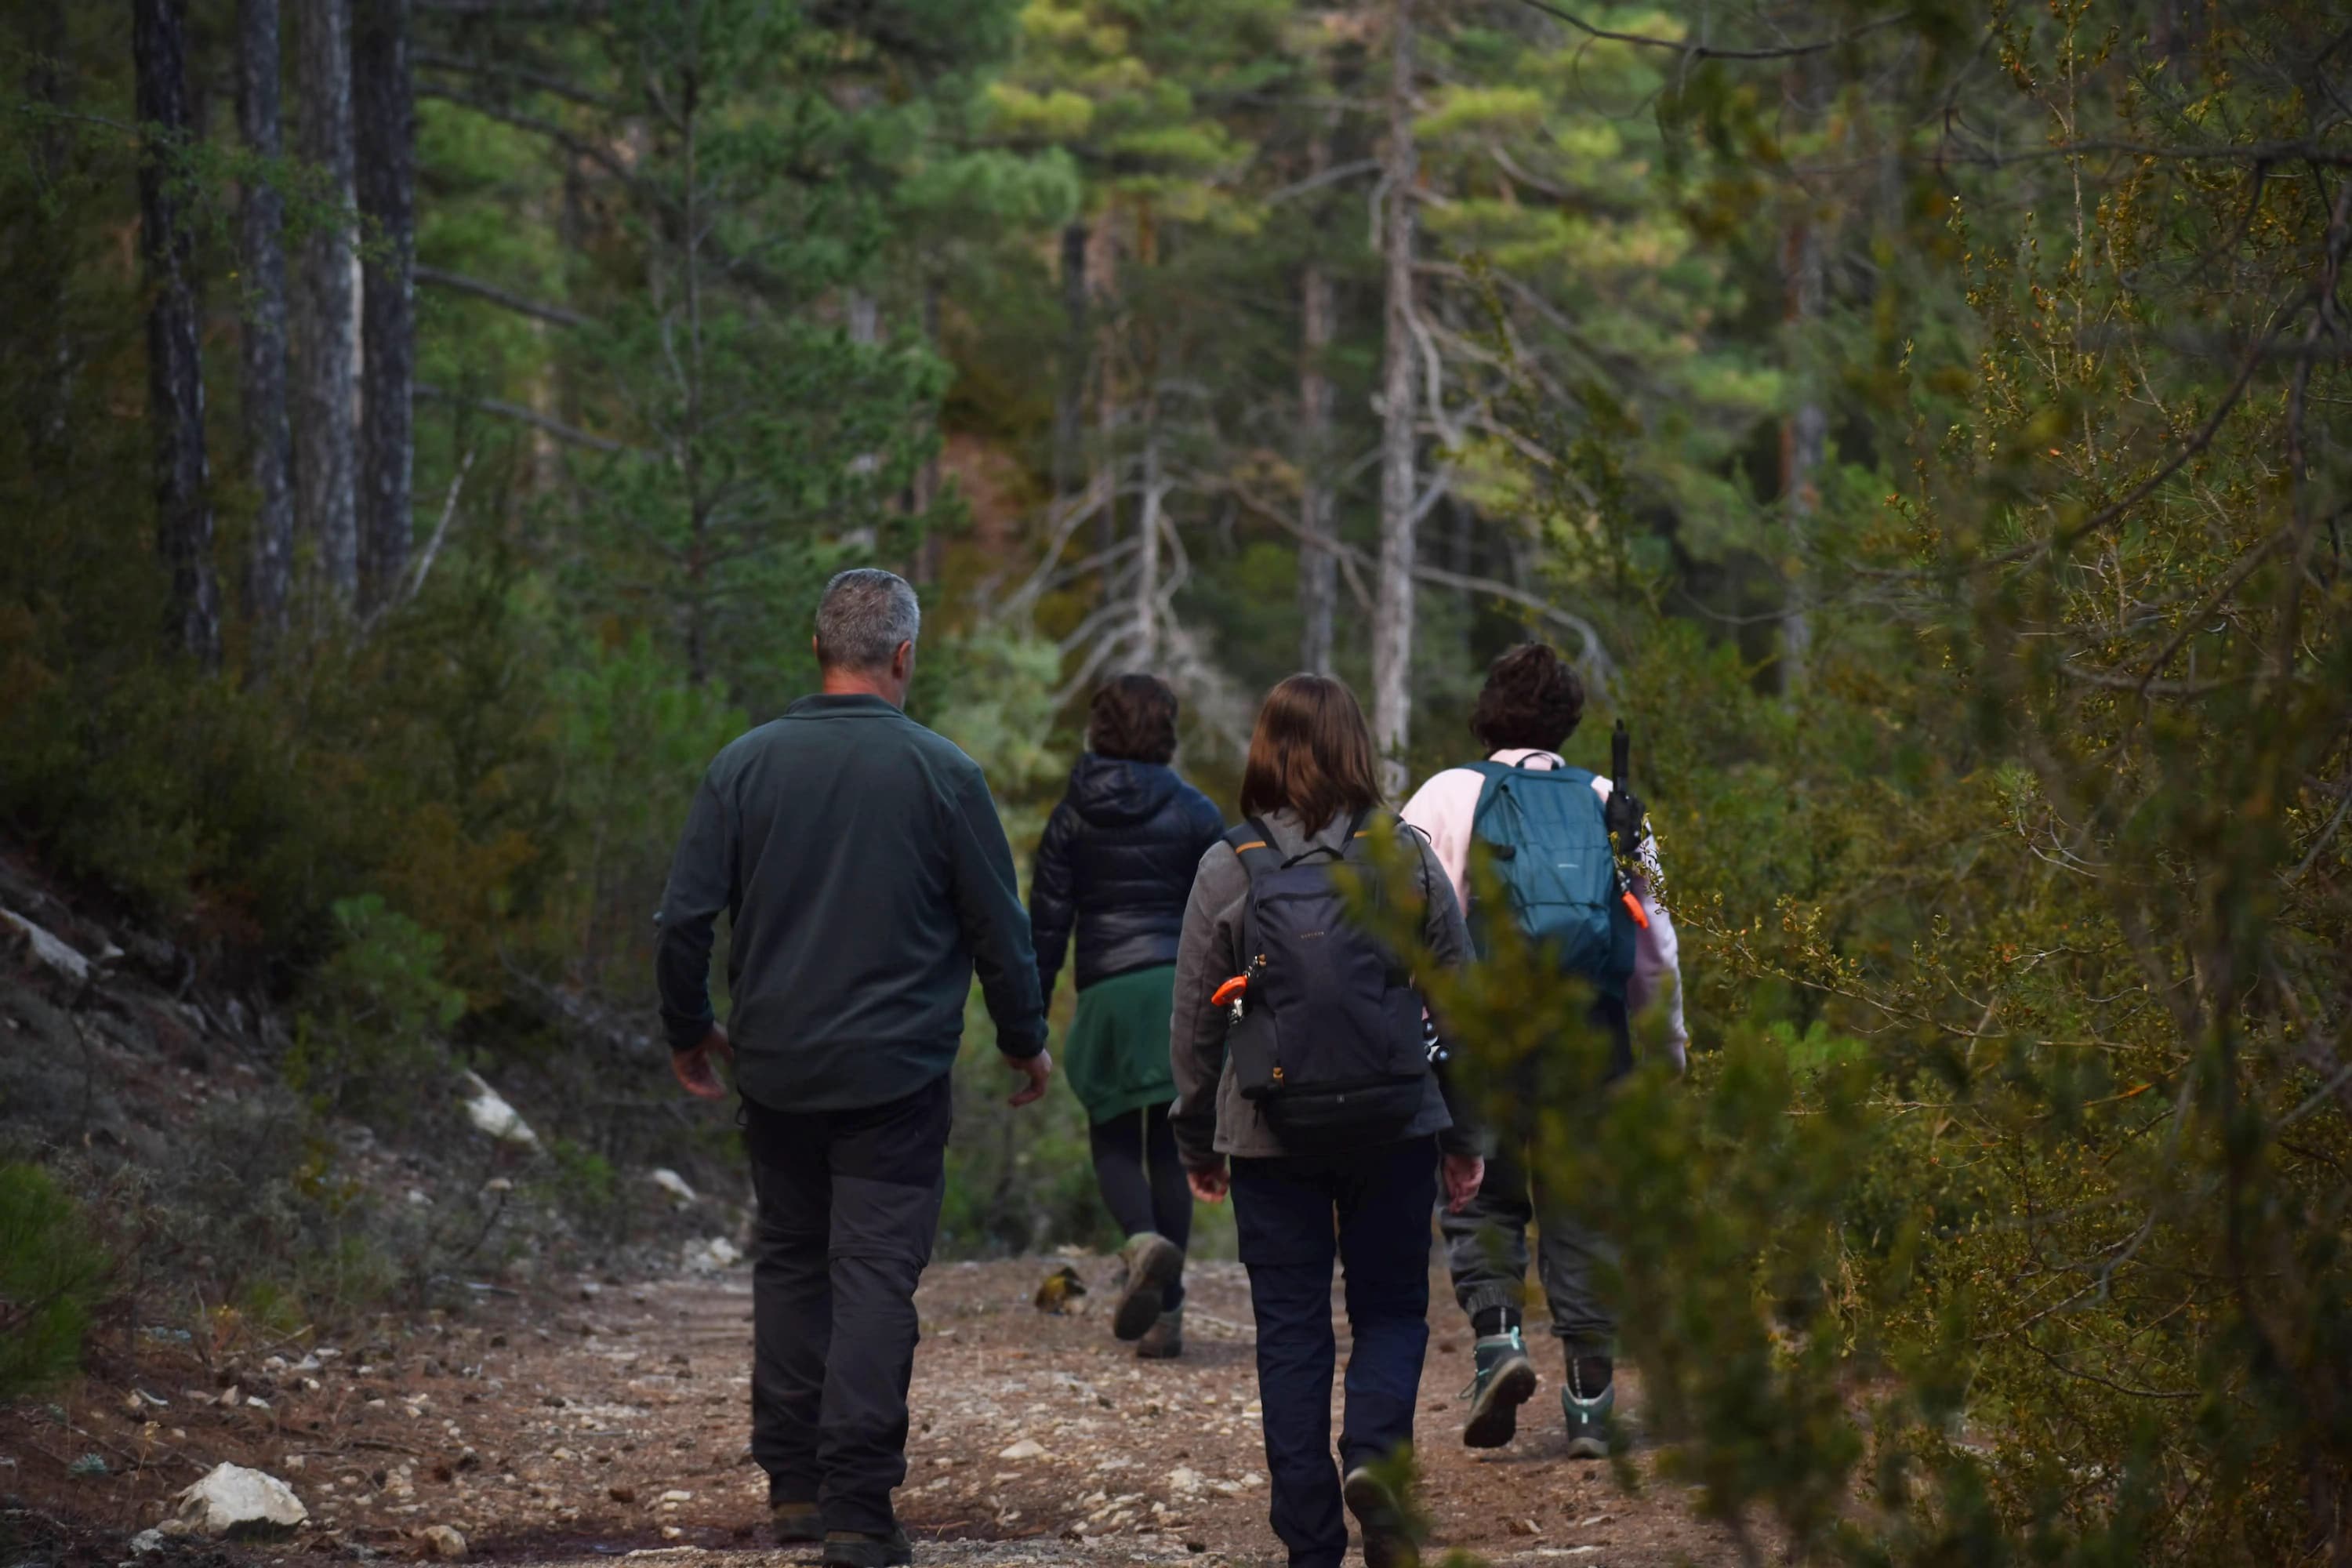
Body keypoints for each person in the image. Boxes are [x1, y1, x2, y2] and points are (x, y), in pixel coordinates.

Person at [655, 568, 1050, 1568]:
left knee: (793, 1260)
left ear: (818, 647)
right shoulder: (944, 774)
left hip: (777, 1067)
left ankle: (793, 1487)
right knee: (873, 1272)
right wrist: (1022, 1035)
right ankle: (858, 1511)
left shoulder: (743, 766)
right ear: (904, 654)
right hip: (898, 1075)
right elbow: (999, 929)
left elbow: (685, 920)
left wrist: (688, 1027)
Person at [1171, 674, 1485, 1568]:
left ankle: (1311, 1537)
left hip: (1272, 1129)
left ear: (1265, 747)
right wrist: (1465, 1136)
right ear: (1356, 748)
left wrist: (1198, 1137)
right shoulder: (1407, 857)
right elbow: (1461, 1007)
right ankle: (1380, 1465)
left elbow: (1194, 1016)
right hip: (1394, 1119)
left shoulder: (1228, 862)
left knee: (1292, 1324)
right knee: (1390, 1307)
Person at [1399, 642, 1687, 1460]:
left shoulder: (1447, 794)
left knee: (1481, 1195)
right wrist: (1666, 1048)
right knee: (1585, 1215)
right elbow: (1655, 939)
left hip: (1480, 1035)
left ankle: (1498, 1342)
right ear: (1569, 719)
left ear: (1487, 709)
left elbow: (1402, 916)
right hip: (1591, 1042)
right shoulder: (1609, 799)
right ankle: (1591, 1404)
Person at [1028, 673, 1225, 1358]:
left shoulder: (1071, 815)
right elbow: (1231, 909)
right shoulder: (1197, 812)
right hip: (1180, 990)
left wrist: (1025, 1019)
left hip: (1108, 992)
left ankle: (1140, 1242)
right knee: (1173, 1145)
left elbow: (1047, 927)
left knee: (1111, 1139)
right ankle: (1168, 1316)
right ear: (1165, 732)